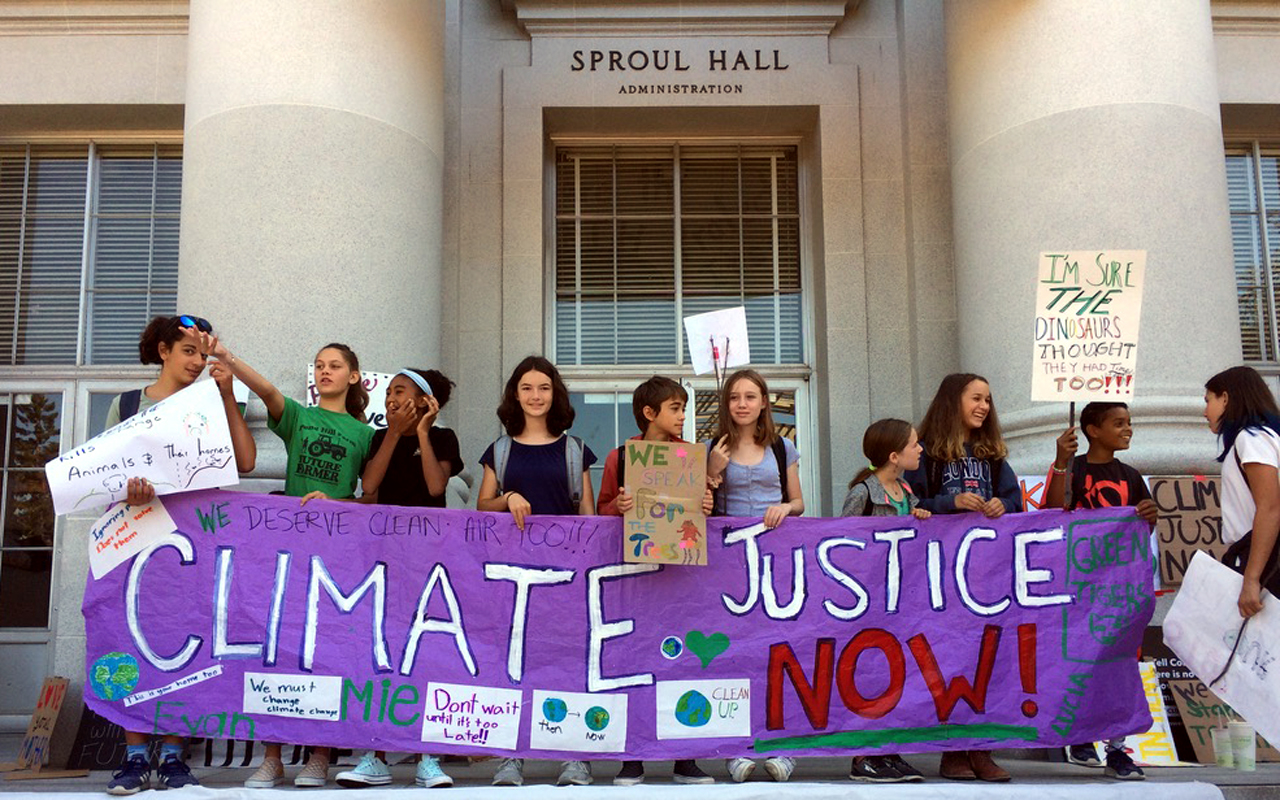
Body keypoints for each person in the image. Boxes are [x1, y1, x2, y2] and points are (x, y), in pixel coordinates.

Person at [201, 336, 375, 788]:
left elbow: (372, 497)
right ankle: (272, 755)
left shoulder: (366, 435)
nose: (324, 371)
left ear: (353, 376)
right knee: (277, 646)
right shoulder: (299, 417)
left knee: (327, 650)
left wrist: (339, 505)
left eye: (335, 365)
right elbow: (265, 390)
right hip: (287, 548)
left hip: (336, 554)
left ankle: (319, 757)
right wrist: (226, 358)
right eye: (318, 365)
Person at [104, 315, 256, 795]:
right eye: (188, 351)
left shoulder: (209, 402)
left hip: (195, 541)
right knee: (128, 638)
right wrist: (126, 490)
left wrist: (228, 395)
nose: (197, 361)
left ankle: (173, 756)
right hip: (135, 539)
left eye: (203, 353)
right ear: (164, 351)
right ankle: (132, 756)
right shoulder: (126, 404)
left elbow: (246, 461)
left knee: (189, 642)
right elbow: (102, 470)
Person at [335, 369, 462, 789]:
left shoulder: (443, 439)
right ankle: (374, 754)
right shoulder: (378, 439)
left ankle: (428, 756)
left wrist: (422, 432)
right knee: (381, 649)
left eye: (401, 392)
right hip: (383, 560)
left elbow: (434, 486)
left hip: (428, 561)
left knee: (425, 652)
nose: (391, 398)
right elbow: (369, 485)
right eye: (388, 392)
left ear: (425, 401)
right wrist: (392, 434)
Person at [477, 356, 596, 787]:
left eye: (543, 387)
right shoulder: (500, 450)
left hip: (567, 576)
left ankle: (574, 755)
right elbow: (482, 506)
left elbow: (587, 514)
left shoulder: (575, 449)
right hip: (512, 577)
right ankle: (511, 757)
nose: (535, 396)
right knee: (515, 662)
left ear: (555, 394)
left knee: (570, 662)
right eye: (526, 387)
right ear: (515, 395)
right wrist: (507, 497)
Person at [596, 376, 713, 786]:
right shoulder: (620, 458)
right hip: (634, 577)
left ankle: (685, 757)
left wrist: (705, 504)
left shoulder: (691, 458)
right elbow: (601, 512)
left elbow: (700, 519)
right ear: (650, 413)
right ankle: (633, 756)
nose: (682, 416)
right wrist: (619, 505)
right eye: (675, 408)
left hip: (681, 580)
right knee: (634, 662)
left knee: (683, 662)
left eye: (684, 408)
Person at [903, 373, 1020, 782]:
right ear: (953, 401)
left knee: (985, 657)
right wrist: (949, 502)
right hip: (939, 575)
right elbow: (910, 501)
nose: (984, 406)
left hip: (985, 573)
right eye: (976, 397)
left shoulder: (992, 454)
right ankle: (952, 750)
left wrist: (999, 505)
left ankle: (981, 748)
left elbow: (1015, 499)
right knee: (947, 658)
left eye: (988, 399)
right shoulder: (928, 452)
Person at [1044, 401, 1157, 781]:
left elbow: (1141, 535)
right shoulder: (1072, 471)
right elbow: (1051, 512)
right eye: (1118, 423)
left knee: (1118, 664)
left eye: (1129, 423)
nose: (1128, 429)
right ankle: (1079, 736)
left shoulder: (1131, 475)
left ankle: (1117, 750)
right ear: (1092, 429)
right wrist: (1062, 461)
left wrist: (1148, 517)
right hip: (1077, 589)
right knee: (1077, 662)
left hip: (1118, 591)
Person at [705, 369, 803, 783]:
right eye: (734, 397)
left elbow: (798, 501)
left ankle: (783, 746)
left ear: (764, 402)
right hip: (729, 563)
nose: (742, 403)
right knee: (735, 654)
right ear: (726, 405)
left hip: (775, 558)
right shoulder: (712, 446)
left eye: (750, 396)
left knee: (779, 652)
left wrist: (786, 508)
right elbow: (698, 508)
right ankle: (736, 748)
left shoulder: (783, 447)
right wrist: (710, 470)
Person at [839, 418, 929, 784]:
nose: (920, 449)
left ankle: (888, 749)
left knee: (897, 674)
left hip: (900, 598)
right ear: (894, 455)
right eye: (914, 444)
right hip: (869, 599)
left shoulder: (906, 491)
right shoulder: (863, 491)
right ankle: (864, 755)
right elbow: (841, 540)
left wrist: (921, 516)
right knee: (870, 674)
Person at [1204, 366, 1280, 619]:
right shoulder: (1265, 437)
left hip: (1264, 560)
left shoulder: (1251, 439)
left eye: (1208, 400)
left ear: (1225, 398)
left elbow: (1269, 508)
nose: (1205, 412)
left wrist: (1252, 577)